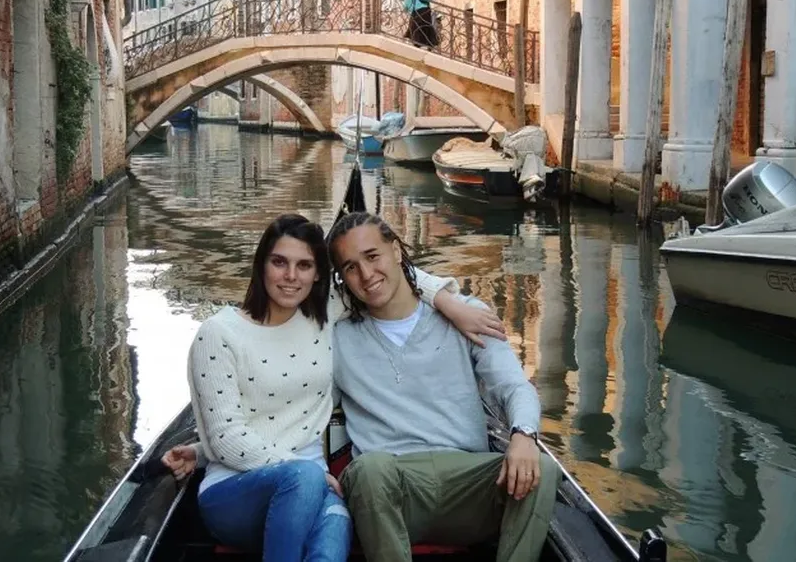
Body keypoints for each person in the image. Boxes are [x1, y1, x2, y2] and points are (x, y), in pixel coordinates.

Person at [162, 213, 506, 562]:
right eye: (279, 262)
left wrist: (449, 303)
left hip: (314, 487)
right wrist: (209, 449)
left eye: (304, 265)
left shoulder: (324, 314)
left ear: (318, 275)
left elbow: (390, 276)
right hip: (236, 493)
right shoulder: (218, 334)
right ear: (261, 264)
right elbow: (226, 436)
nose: (291, 276)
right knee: (302, 478)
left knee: (333, 533)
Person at [326, 211, 558, 562]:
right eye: (351, 268)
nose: (367, 275)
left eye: (373, 256)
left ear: (396, 251)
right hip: (390, 488)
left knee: (543, 467)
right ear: (342, 278)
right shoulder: (336, 340)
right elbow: (309, 411)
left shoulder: (468, 315)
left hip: (468, 483)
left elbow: (515, 387)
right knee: (370, 470)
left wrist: (524, 435)